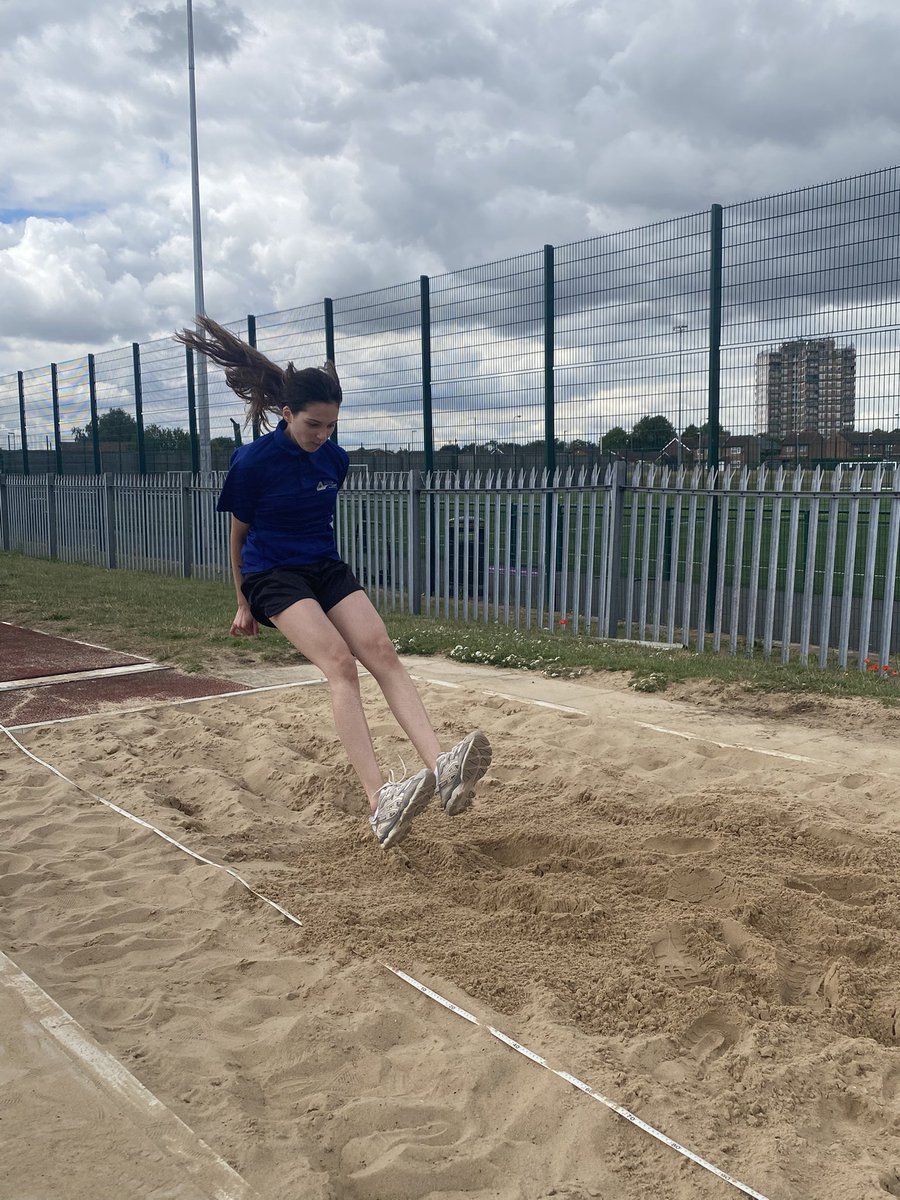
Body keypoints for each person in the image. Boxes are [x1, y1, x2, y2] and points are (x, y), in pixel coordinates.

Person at [174, 316, 491, 850]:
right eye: (312, 425)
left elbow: (316, 515)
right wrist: (242, 603)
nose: (322, 436)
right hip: (270, 574)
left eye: (330, 427)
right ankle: (379, 801)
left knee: (381, 650)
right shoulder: (252, 462)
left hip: (323, 566)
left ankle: (444, 769)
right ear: (286, 415)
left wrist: (325, 453)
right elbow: (237, 535)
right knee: (341, 665)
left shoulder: (336, 460)